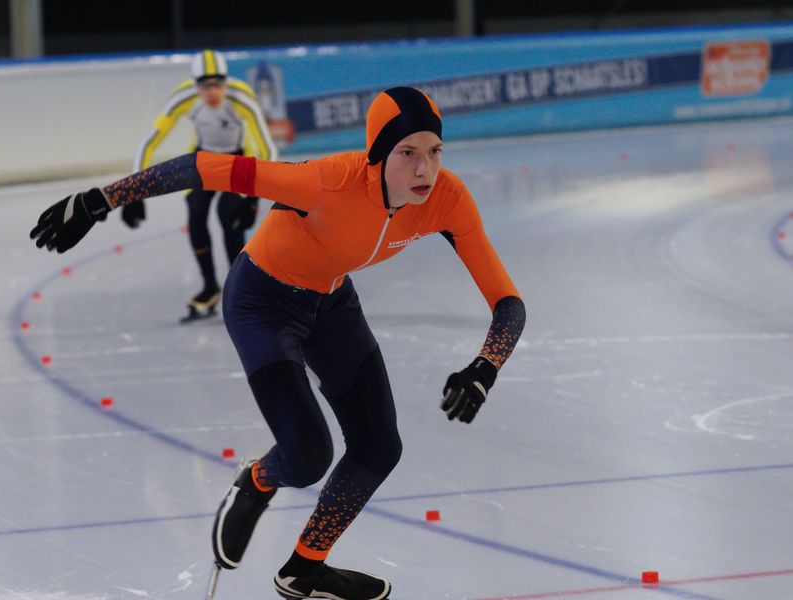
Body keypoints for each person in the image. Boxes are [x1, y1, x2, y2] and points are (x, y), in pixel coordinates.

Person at [30, 86, 526, 600]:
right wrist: (99, 200)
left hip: (330, 301)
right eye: (407, 153)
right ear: (378, 155)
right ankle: (258, 480)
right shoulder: (324, 181)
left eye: (435, 151)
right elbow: (204, 167)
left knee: (379, 447)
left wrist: (485, 367)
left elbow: (508, 300)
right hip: (261, 302)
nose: (425, 169)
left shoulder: (447, 199)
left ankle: (304, 569)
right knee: (307, 456)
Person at [121, 48, 278, 323]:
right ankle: (210, 287)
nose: (213, 92)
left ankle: (240, 289)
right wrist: (134, 193)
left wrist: (253, 197)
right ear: (195, 85)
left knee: (229, 217)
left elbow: (267, 149)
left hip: (237, 160)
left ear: (227, 82)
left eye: (219, 84)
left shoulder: (242, 97)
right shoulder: (183, 98)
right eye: (205, 86)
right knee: (196, 213)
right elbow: (150, 142)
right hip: (203, 158)